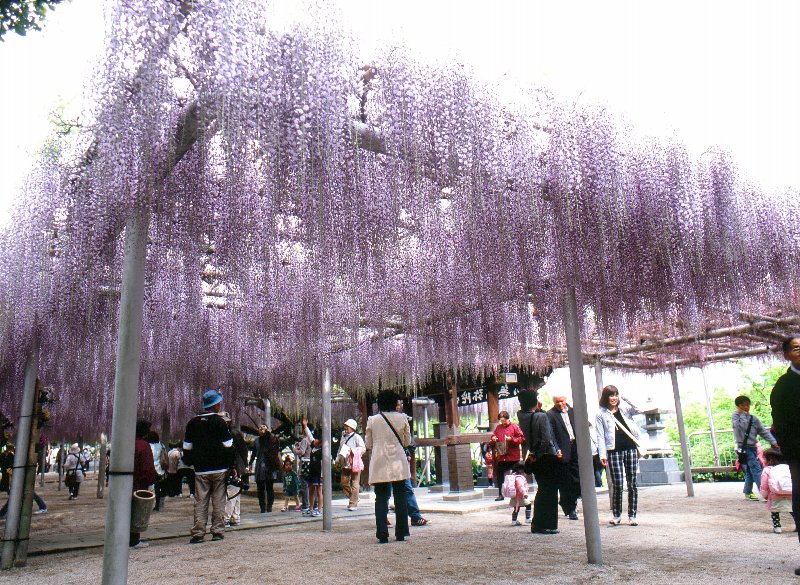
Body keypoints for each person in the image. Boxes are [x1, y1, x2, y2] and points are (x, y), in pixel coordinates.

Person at [183, 389, 234, 544]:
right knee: (219, 500)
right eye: (218, 403)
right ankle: (217, 531)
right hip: (219, 468)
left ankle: (198, 532)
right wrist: (230, 465)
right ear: (215, 405)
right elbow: (228, 446)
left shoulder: (192, 423)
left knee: (200, 500)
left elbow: (187, 447)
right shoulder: (220, 422)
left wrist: (191, 462)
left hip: (201, 469)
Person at [770, 336, 800, 576]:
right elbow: (779, 424)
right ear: (787, 355)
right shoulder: (782, 386)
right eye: (796, 348)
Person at [366, 390, 411, 544]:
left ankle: (382, 533)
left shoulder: (372, 420)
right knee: (400, 497)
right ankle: (401, 533)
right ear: (394, 403)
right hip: (398, 461)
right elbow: (406, 442)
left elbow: (368, 444)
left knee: (381, 499)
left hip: (380, 462)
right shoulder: (403, 418)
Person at [518, 387, 561, 535]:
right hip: (547, 456)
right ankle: (547, 524)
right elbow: (546, 439)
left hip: (534, 457)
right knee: (549, 492)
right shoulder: (541, 416)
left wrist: (534, 455)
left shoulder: (521, 415)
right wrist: (539, 453)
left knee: (542, 490)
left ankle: (538, 523)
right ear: (535, 401)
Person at [596, 385, 642, 526]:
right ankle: (616, 515)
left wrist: (626, 398)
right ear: (605, 397)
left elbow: (640, 409)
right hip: (613, 451)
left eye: (616, 395)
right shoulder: (601, 414)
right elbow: (600, 436)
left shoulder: (625, 410)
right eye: (611, 395)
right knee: (617, 484)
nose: (614, 398)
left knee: (632, 483)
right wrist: (602, 454)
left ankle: (632, 515)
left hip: (631, 449)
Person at [733, 394, 778, 501]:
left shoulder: (754, 418)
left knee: (750, 470)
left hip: (753, 448)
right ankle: (764, 494)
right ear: (738, 406)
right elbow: (742, 427)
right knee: (757, 469)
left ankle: (748, 492)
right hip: (743, 448)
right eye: (743, 405)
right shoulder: (735, 417)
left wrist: (774, 442)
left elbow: (763, 431)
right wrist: (743, 415)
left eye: (747, 405)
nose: (746, 407)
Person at [395, 399, 430, 527]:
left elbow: (410, 441)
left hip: (401, 460)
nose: (399, 407)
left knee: (407, 489)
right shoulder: (378, 420)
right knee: (385, 491)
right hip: (388, 461)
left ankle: (415, 517)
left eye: (400, 405)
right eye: (397, 405)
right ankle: (383, 518)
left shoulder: (404, 419)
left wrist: (408, 452)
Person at [547, 396, 581, 520]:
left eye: (562, 401)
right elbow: (551, 434)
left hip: (575, 447)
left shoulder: (573, 411)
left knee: (577, 477)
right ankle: (570, 508)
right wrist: (556, 449)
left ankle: (572, 500)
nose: (560, 404)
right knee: (565, 480)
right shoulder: (550, 414)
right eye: (557, 402)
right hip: (563, 449)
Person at [131, 419, 158, 549]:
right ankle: (134, 540)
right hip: (139, 483)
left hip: (126, 482)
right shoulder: (143, 445)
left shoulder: (128, 442)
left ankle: (122, 537)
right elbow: (147, 467)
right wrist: (151, 482)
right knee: (138, 510)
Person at [490, 411, 525, 502]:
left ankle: (519, 493)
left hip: (513, 456)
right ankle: (501, 494)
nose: (502, 423)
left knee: (517, 476)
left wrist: (512, 439)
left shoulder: (514, 426)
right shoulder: (498, 427)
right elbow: (494, 435)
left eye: (504, 420)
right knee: (499, 474)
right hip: (502, 456)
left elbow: (521, 438)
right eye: (501, 421)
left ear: (507, 419)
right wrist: (494, 438)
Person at [759, 448, 793, 534]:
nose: (763, 460)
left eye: (764, 458)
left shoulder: (767, 470)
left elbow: (764, 484)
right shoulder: (787, 467)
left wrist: (764, 494)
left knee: (775, 511)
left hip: (775, 494)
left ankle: (777, 527)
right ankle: (797, 524)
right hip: (790, 492)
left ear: (769, 459)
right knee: (792, 509)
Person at [249, 424, 281, 513]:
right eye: (260, 428)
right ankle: (262, 507)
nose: (262, 429)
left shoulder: (271, 439)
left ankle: (269, 506)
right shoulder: (257, 441)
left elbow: (276, 444)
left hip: (270, 465)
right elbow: (254, 452)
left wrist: (267, 432)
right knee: (260, 488)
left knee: (270, 487)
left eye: (264, 428)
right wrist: (250, 462)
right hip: (260, 465)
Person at [337, 418, 366, 511]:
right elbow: (340, 449)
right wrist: (337, 460)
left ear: (352, 428)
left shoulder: (357, 437)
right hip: (345, 463)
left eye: (347, 427)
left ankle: (353, 503)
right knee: (343, 482)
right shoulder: (343, 437)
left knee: (355, 483)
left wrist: (353, 451)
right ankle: (354, 497)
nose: (345, 428)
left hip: (354, 463)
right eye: (345, 426)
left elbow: (363, 448)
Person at [225, 425, 249, 527]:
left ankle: (226, 518)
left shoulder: (232, 445)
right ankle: (235, 517)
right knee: (236, 493)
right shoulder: (242, 449)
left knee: (231, 494)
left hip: (234, 469)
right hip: (240, 469)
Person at [292, 418, 314, 513]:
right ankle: (313, 504)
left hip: (305, 463)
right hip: (310, 463)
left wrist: (294, 450)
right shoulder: (311, 440)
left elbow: (301, 451)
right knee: (311, 485)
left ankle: (305, 504)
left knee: (304, 485)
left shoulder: (305, 439)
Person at [502, 461, 531, 526]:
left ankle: (514, 520)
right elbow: (521, 486)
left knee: (516, 508)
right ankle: (528, 518)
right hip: (520, 496)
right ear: (522, 470)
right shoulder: (520, 478)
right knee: (528, 505)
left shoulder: (514, 475)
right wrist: (524, 493)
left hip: (514, 496)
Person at [307, 438, 323, 517]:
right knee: (311, 491)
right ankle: (311, 508)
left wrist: (322, 475)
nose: (314, 440)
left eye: (316, 439)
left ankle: (319, 509)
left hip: (318, 474)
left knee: (319, 492)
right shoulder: (312, 450)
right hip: (312, 473)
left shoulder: (321, 451)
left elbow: (323, 464)